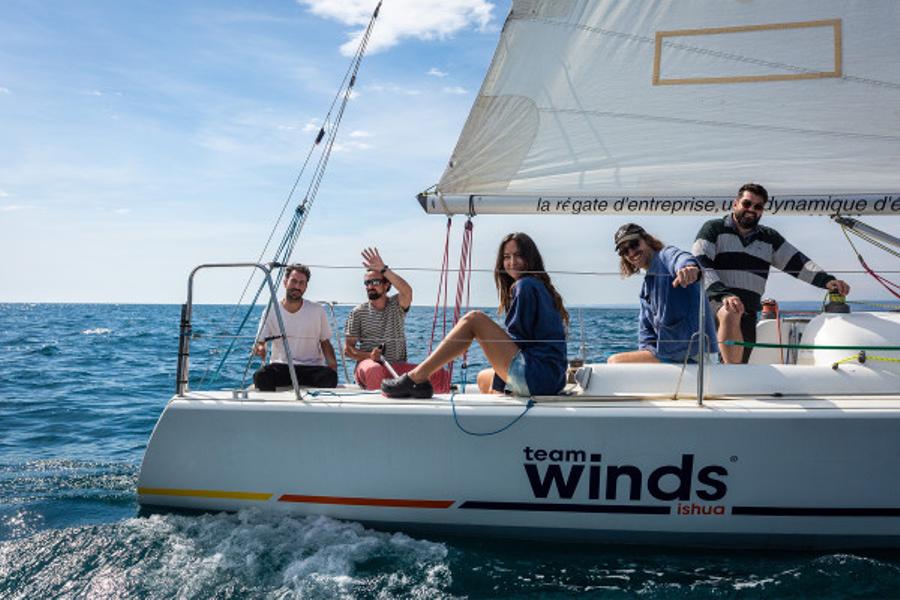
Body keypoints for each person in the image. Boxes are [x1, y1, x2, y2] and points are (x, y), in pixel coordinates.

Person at [381, 232, 569, 399]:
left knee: (474, 320)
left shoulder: (525, 285)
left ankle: (415, 378)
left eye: (519, 255)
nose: (512, 262)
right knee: (482, 379)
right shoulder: (539, 286)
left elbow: (518, 342)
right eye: (507, 257)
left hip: (537, 376)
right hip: (552, 380)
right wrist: (499, 386)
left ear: (531, 258)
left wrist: (501, 385)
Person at [692, 183, 851, 363]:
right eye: (746, 204)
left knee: (741, 365)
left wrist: (826, 281)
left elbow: (797, 262)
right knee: (729, 319)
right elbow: (700, 260)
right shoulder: (714, 229)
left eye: (758, 207)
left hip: (748, 312)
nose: (751, 209)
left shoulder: (769, 238)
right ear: (735, 204)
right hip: (714, 304)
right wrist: (723, 295)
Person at [607, 224, 717, 364]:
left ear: (647, 240)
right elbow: (645, 335)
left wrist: (688, 268)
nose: (631, 253)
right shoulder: (645, 290)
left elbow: (680, 257)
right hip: (672, 356)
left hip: (697, 355)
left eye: (634, 244)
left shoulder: (665, 256)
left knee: (615, 362)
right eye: (624, 251)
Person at [343, 247, 450, 392]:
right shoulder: (358, 312)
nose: (370, 287)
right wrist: (369, 355)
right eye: (367, 283)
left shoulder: (396, 305)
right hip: (367, 366)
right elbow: (348, 350)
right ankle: (378, 411)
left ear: (387, 285)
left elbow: (407, 291)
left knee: (440, 374)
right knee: (374, 370)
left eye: (375, 282)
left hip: (396, 366)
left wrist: (383, 269)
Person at [252, 263, 338, 390]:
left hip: (311, 368)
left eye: (302, 283)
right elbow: (260, 342)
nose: (297, 286)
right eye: (294, 281)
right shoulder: (271, 310)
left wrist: (333, 366)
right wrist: (260, 348)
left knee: (329, 377)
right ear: (285, 282)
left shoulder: (317, 310)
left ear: (306, 286)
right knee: (261, 376)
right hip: (282, 367)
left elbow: (325, 342)